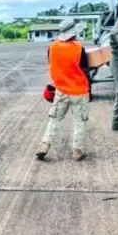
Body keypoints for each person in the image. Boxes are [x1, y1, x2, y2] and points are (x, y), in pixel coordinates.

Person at [36, 18, 90, 162]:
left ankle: (44, 145)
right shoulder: (79, 48)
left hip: (61, 90)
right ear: (74, 32)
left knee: (54, 120)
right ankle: (77, 150)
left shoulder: (52, 47)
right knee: (79, 121)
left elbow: (53, 64)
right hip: (79, 91)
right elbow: (85, 69)